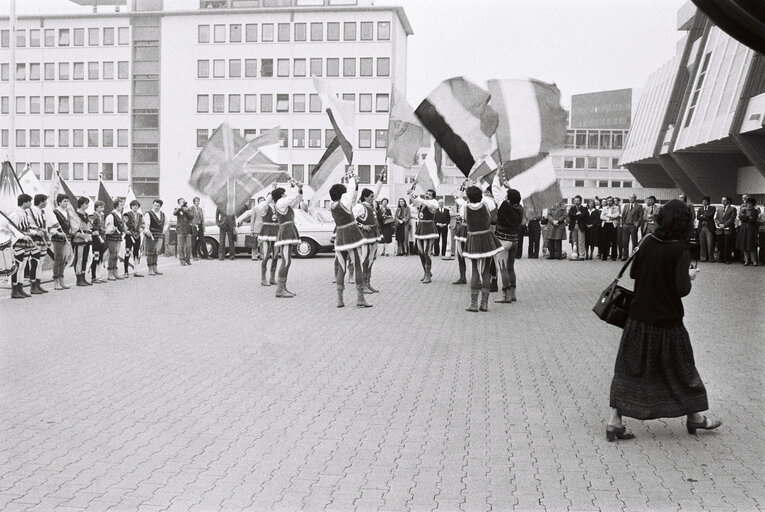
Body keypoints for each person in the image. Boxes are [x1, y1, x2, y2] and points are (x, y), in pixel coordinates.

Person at [607, 199, 721, 441]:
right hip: (668, 320)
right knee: (682, 367)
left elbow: (634, 273)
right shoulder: (680, 249)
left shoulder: (647, 241)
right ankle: (695, 417)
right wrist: (689, 275)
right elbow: (681, 290)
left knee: (630, 368)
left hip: (638, 318)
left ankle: (615, 421)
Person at [329, 174, 372, 308]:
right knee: (357, 264)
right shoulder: (344, 203)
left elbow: (350, 192)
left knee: (342, 268)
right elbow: (351, 190)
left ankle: (339, 299)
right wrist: (352, 178)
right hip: (351, 236)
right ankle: (360, 298)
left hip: (340, 236)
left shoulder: (332, 205)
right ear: (342, 194)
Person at [461, 185, 503, 312]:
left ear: (468, 197)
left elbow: (464, 219)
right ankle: (484, 303)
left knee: (474, 270)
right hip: (487, 239)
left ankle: (474, 304)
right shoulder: (487, 204)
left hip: (473, 239)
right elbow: (494, 210)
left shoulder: (465, 207)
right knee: (486, 271)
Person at [272, 182, 303, 298]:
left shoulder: (283, 203)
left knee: (287, 260)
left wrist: (300, 189)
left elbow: (297, 199)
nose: (285, 195)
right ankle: (280, 289)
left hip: (288, 232)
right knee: (286, 261)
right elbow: (293, 198)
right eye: (283, 193)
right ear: (281, 195)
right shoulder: (280, 202)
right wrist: (295, 187)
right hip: (285, 232)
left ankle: (282, 287)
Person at [7, 194, 41, 298]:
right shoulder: (15, 214)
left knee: (23, 265)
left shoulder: (25, 213)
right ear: (24, 202)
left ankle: (20, 288)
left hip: (25, 241)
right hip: (18, 242)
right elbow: (12, 228)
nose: (31, 204)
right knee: (17, 266)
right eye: (29, 201)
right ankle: (14, 289)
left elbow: (26, 228)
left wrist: (35, 233)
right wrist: (22, 236)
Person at [494, 187, 524, 303]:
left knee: (503, 268)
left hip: (503, 241)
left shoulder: (504, 206)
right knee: (511, 268)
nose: (505, 197)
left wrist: (498, 175)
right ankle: (513, 294)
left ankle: (505, 296)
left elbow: (495, 190)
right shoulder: (520, 208)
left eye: (507, 196)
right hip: (514, 241)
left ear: (509, 199)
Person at [407, 187, 439, 283]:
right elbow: (415, 201)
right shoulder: (423, 202)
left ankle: (428, 275)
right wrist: (410, 192)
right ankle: (426, 271)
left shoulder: (434, 202)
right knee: (420, 252)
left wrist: (413, 194)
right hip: (421, 227)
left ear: (433, 196)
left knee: (426, 252)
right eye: (427, 193)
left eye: (429, 194)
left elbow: (425, 202)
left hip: (429, 228)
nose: (427, 195)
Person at [26, 193, 50, 293]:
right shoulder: (29, 211)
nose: (46, 203)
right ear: (41, 201)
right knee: (34, 262)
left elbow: (44, 225)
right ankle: (32, 285)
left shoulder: (43, 212)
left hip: (42, 237)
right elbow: (26, 227)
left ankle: (38, 284)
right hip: (35, 237)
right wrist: (36, 232)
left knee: (41, 262)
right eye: (45, 201)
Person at [255, 193, 280, 286]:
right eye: (272, 197)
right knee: (266, 256)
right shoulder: (264, 206)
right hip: (266, 232)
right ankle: (263, 278)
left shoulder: (277, 206)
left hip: (276, 232)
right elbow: (265, 204)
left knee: (276, 256)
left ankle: (272, 277)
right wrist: (272, 193)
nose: (273, 199)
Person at [51, 194, 74, 288]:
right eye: (64, 201)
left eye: (67, 201)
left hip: (66, 238)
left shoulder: (67, 212)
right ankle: (56, 279)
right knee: (58, 258)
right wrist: (59, 233)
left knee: (64, 259)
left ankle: (61, 278)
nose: (66, 203)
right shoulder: (55, 212)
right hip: (57, 238)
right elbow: (52, 226)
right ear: (59, 202)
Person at [72, 196, 93, 286]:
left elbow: (88, 226)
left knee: (85, 258)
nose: (87, 205)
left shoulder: (86, 214)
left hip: (87, 237)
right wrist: (80, 234)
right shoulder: (75, 214)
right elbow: (74, 227)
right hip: (79, 238)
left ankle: (83, 277)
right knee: (79, 259)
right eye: (86, 203)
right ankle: (78, 278)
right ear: (81, 204)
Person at [104, 197, 126, 281]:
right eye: (121, 205)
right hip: (112, 237)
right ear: (116, 205)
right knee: (112, 254)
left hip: (118, 237)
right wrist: (112, 229)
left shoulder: (120, 215)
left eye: (123, 205)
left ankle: (115, 271)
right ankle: (110, 273)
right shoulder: (111, 215)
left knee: (116, 255)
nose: (122, 206)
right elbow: (107, 229)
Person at [143, 199, 167, 276]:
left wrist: (163, 231)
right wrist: (147, 231)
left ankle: (155, 268)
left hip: (159, 234)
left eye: (158, 206)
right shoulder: (148, 213)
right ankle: (150, 269)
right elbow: (146, 224)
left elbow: (166, 224)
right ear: (153, 205)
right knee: (150, 252)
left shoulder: (163, 214)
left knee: (156, 252)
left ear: (160, 206)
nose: (156, 207)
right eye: (155, 205)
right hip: (151, 234)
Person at [123, 199, 144, 278]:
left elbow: (143, 224)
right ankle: (126, 271)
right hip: (129, 236)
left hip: (137, 236)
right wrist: (126, 230)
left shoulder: (140, 215)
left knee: (136, 253)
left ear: (138, 207)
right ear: (131, 206)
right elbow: (123, 224)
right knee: (127, 253)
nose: (135, 207)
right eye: (134, 205)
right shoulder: (127, 214)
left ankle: (136, 271)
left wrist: (141, 228)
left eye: (137, 205)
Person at [737, 196, 760, 266]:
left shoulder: (755, 210)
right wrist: (747, 217)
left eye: (749, 203)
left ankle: (754, 261)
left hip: (751, 229)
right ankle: (746, 260)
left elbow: (753, 220)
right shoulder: (743, 210)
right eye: (747, 203)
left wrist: (745, 217)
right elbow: (740, 218)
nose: (748, 204)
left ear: (753, 204)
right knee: (744, 244)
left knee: (751, 245)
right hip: (743, 228)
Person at [451, 190, 468, 285]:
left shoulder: (466, 204)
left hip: (469, 229)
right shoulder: (464, 204)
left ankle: (474, 279)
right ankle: (463, 277)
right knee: (460, 255)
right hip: (464, 229)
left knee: (473, 256)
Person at [89, 200, 107, 284]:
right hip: (96, 240)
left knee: (101, 257)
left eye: (103, 206)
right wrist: (93, 232)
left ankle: (98, 275)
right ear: (96, 207)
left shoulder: (102, 216)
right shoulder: (93, 216)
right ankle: (93, 276)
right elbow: (90, 227)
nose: (102, 208)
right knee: (95, 257)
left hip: (102, 239)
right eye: (100, 207)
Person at [621, 194, 643, 259]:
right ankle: (625, 256)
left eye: (632, 198)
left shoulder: (639, 206)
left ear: (635, 198)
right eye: (630, 198)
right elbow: (623, 215)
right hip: (626, 226)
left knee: (634, 242)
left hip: (633, 226)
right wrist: (623, 223)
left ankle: (633, 256)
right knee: (625, 242)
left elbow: (641, 216)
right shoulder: (626, 206)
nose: (631, 199)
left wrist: (637, 224)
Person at [715, 196, 736, 264]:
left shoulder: (732, 209)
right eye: (722, 200)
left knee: (728, 244)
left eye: (724, 200)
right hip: (720, 230)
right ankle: (721, 258)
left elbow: (732, 218)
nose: (722, 202)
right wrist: (719, 224)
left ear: (728, 201)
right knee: (721, 244)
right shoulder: (719, 209)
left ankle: (727, 259)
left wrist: (724, 225)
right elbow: (716, 218)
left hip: (728, 229)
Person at [174, 198, 194, 266]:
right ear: (179, 203)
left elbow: (191, 216)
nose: (183, 202)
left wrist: (186, 211)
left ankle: (187, 259)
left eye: (184, 201)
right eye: (181, 202)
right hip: (180, 230)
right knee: (181, 246)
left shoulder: (189, 208)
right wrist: (180, 208)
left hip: (188, 230)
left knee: (188, 246)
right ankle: (182, 260)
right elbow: (174, 213)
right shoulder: (177, 208)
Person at [696, 196, 716, 262]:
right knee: (702, 243)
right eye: (703, 201)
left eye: (705, 201)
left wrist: (703, 216)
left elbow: (711, 215)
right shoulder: (700, 209)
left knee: (710, 243)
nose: (704, 202)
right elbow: (698, 217)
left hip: (709, 227)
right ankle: (703, 258)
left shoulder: (712, 208)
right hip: (701, 227)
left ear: (708, 202)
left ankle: (711, 258)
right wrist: (705, 217)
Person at [568, 195, 587, 261]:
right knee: (574, 241)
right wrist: (577, 214)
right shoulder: (572, 208)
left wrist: (576, 215)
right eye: (575, 201)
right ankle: (575, 254)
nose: (576, 202)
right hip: (573, 226)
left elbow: (584, 215)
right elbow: (570, 215)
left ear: (580, 201)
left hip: (581, 226)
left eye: (577, 201)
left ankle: (581, 255)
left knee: (581, 241)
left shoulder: (584, 208)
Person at [249, 197, 266, 261]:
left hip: (264, 228)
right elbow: (252, 220)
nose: (262, 202)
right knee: (254, 243)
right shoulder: (255, 208)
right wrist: (252, 229)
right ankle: (254, 256)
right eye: (261, 200)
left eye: (263, 200)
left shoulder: (266, 209)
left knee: (263, 243)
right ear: (258, 202)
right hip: (256, 228)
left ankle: (262, 256)